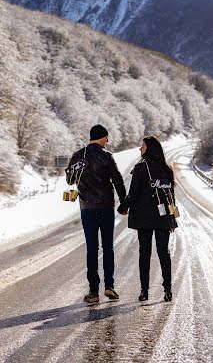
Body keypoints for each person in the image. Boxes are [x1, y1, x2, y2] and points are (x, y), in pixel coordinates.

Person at [67, 124, 127, 304]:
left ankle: (93, 292)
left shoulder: (78, 156)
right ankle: (109, 287)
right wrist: (124, 203)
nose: (108, 141)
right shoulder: (106, 156)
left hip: (86, 208)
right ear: (101, 137)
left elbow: (69, 179)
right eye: (106, 137)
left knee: (92, 249)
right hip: (106, 207)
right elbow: (117, 179)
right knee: (108, 247)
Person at [118, 135, 177, 302]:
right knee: (163, 253)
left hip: (144, 218)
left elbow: (133, 194)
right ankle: (168, 290)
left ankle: (144, 291)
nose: (140, 149)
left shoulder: (140, 168)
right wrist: (172, 219)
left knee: (144, 254)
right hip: (163, 217)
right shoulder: (167, 169)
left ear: (149, 148)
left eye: (142, 146)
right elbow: (170, 197)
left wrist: (122, 207)